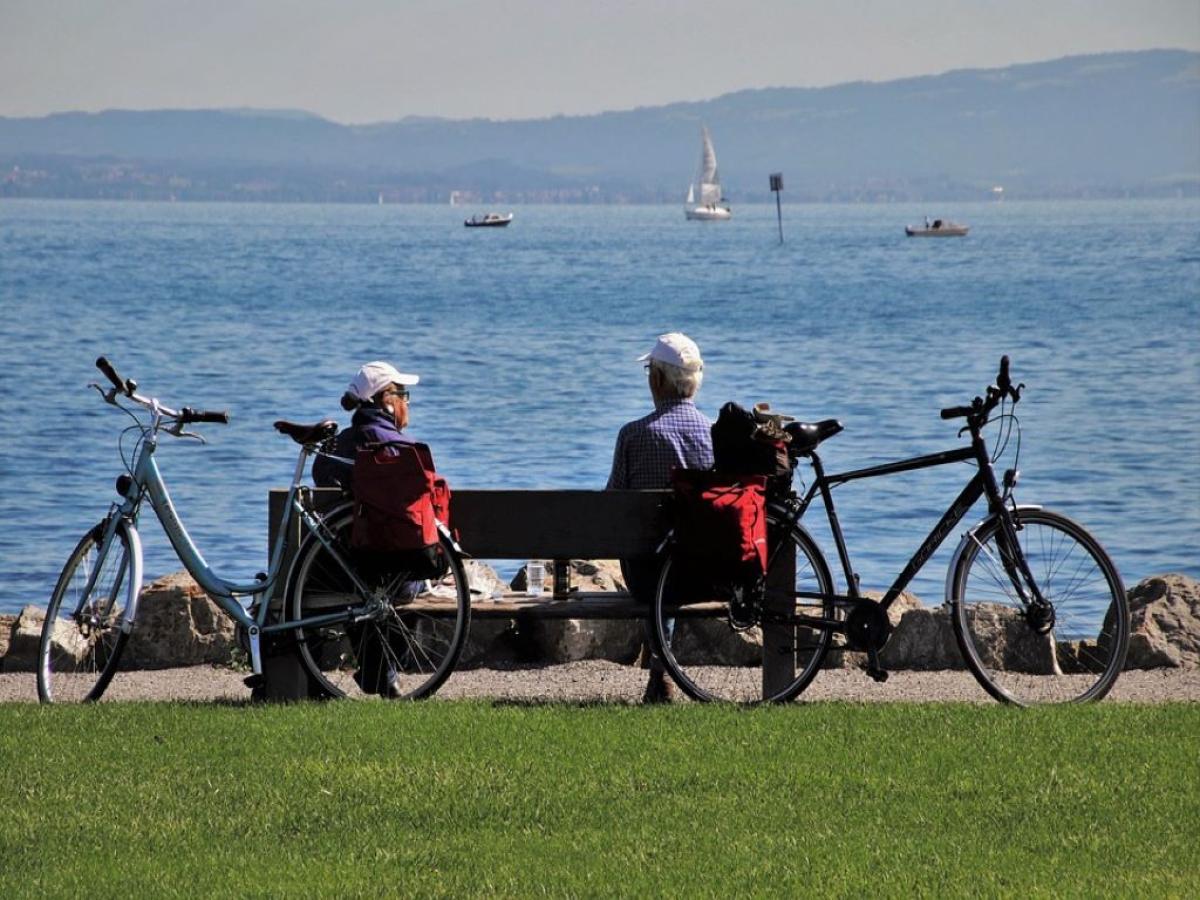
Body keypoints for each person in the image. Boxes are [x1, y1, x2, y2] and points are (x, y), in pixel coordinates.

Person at [607, 332, 714, 702]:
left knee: (653, 558)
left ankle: (661, 671)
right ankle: (660, 670)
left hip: (645, 575)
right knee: (675, 554)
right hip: (703, 572)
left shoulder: (634, 435)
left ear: (656, 380)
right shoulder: (713, 435)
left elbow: (611, 507)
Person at [313, 360, 422, 698]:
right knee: (407, 579)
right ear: (386, 400)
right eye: (403, 394)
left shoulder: (334, 448)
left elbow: (321, 482)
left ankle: (379, 675)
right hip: (392, 569)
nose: (407, 402)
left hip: (340, 569)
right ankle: (381, 674)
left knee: (361, 581)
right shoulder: (402, 450)